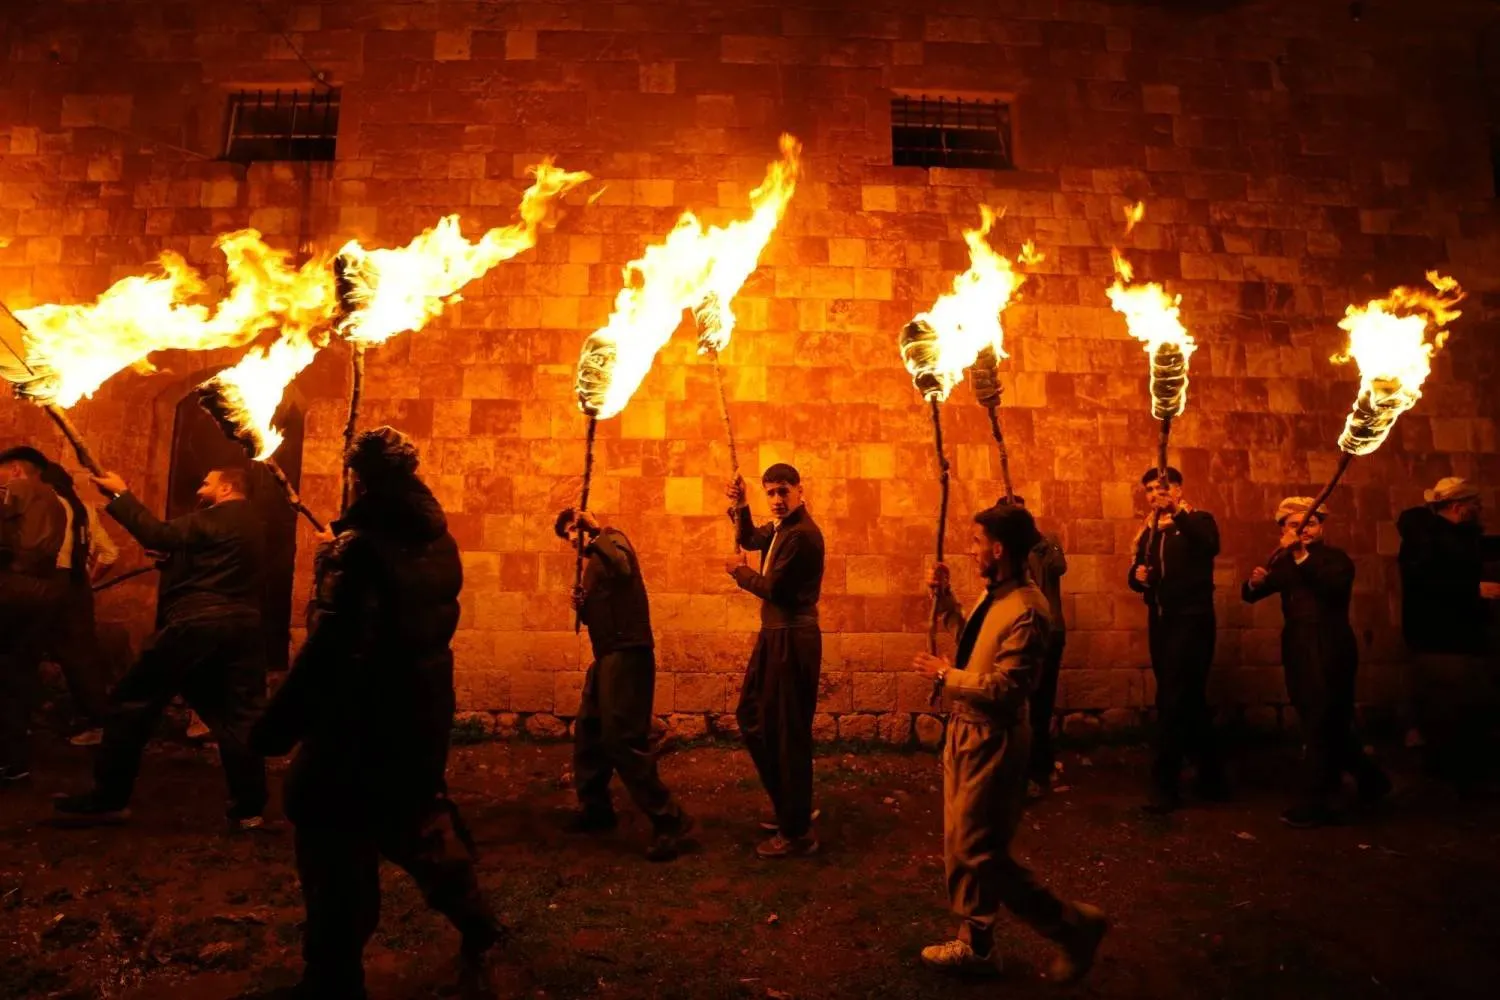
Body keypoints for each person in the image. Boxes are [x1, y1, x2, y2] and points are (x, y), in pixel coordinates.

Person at [250, 427, 503, 1000]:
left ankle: (332, 980)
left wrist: (275, 727)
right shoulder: (438, 538)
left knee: (333, 848)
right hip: (419, 712)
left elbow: (334, 648)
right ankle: (479, 923)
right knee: (414, 823)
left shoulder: (362, 547)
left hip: (358, 724)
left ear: (359, 478)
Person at [913, 504, 1107, 979]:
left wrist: (946, 675)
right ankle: (976, 945)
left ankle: (1071, 926)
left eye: (976, 542)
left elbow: (1005, 688)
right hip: (964, 730)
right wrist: (948, 602)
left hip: (992, 738)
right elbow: (974, 649)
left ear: (998, 549)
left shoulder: (1028, 609)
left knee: (980, 852)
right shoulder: (994, 597)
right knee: (959, 846)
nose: (970, 548)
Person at [52, 466, 267, 828]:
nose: (202, 487)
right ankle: (250, 809)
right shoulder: (254, 525)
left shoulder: (222, 514)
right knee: (235, 716)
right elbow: (214, 563)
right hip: (242, 626)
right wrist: (175, 561)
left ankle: (109, 798)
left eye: (207, 481)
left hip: (196, 625)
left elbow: (158, 533)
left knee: (129, 703)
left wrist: (120, 494)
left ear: (227, 488)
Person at [1242, 498, 1391, 827]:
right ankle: (1371, 780)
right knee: (1324, 718)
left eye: (1309, 523)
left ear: (1321, 526)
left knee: (1322, 721)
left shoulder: (1334, 560)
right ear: (1283, 530)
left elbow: (1332, 589)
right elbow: (1256, 592)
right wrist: (1254, 583)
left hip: (1330, 645)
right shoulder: (1285, 563)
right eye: (1294, 525)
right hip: (1297, 646)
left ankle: (1317, 801)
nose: (1303, 529)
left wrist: (1298, 555)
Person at [555, 506, 692, 861]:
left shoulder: (614, 540)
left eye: (575, 529)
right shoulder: (592, 563)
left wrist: (596, 530)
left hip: (628, 655)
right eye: (568, 535)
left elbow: (623, 568)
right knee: (589, 730)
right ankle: (596, 810)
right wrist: (582, 607)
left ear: (586, 523)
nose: (573, 538)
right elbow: (606, 606)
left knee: (621, 740)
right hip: (605, 658)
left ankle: (670, 820)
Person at [726, 463, 825, 858]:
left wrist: (739, 573)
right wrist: (741, 505)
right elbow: (749, 537)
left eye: (784, 491)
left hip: (791, 638)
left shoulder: (802, 536)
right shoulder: (781, 529)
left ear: (800, 491)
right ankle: (789, 806)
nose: (778, 500)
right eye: (770, 493)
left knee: (787, 731)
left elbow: (775, 590)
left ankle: (796, 830)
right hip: (774, 636)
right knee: (752, 716)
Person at [1126, 465, 1225, 813]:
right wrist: (1137, 576)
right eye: (1150, 490)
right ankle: (1212, 777)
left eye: (1162, 488)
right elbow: (1137, 573)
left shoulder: (1197, 521)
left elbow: (1210, 545)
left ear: (1179, 490)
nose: (1156, 494)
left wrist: (1177, 513)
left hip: (1192, 620)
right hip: (1161, 620)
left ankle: (1164, 785)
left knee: (1171, 698)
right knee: (1189, 699)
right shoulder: (1150, 533)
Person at [1396, 477, 1500, 791]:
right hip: (1442, 638)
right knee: (1452, 709)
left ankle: (1457, 769)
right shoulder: (1429, 541)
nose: (1480, 511)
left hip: (1455, 638)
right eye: (1475, 506)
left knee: (1458, 707)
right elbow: (1426, 585)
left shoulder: (1453, 537)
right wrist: (1475, 589)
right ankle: (1457, 774)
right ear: (1458, 507)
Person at [38, 459, 119, 748]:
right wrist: (89, 581)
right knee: (81, 659)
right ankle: (99, 721)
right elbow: (109, 554)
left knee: (19, 654)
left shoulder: (42, 504)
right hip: (76, 587)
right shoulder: (84, 508)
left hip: (45, 583)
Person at [0, 446, 67, 784]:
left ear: (15, 470)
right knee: (17, 675)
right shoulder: (58, 502)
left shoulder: (16, 490)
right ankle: (15, 759)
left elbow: (10, 544)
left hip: (11, 590)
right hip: (41, 594)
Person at [995, 494, 1068, 798]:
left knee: (1041, 703)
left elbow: (1057, 567)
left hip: (1048, 631)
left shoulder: (1044, 544)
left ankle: (1039, 769)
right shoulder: (1006, 553)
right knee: (1019, 704)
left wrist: (1033, 538)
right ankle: (1028, 768)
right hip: (1019, 630)